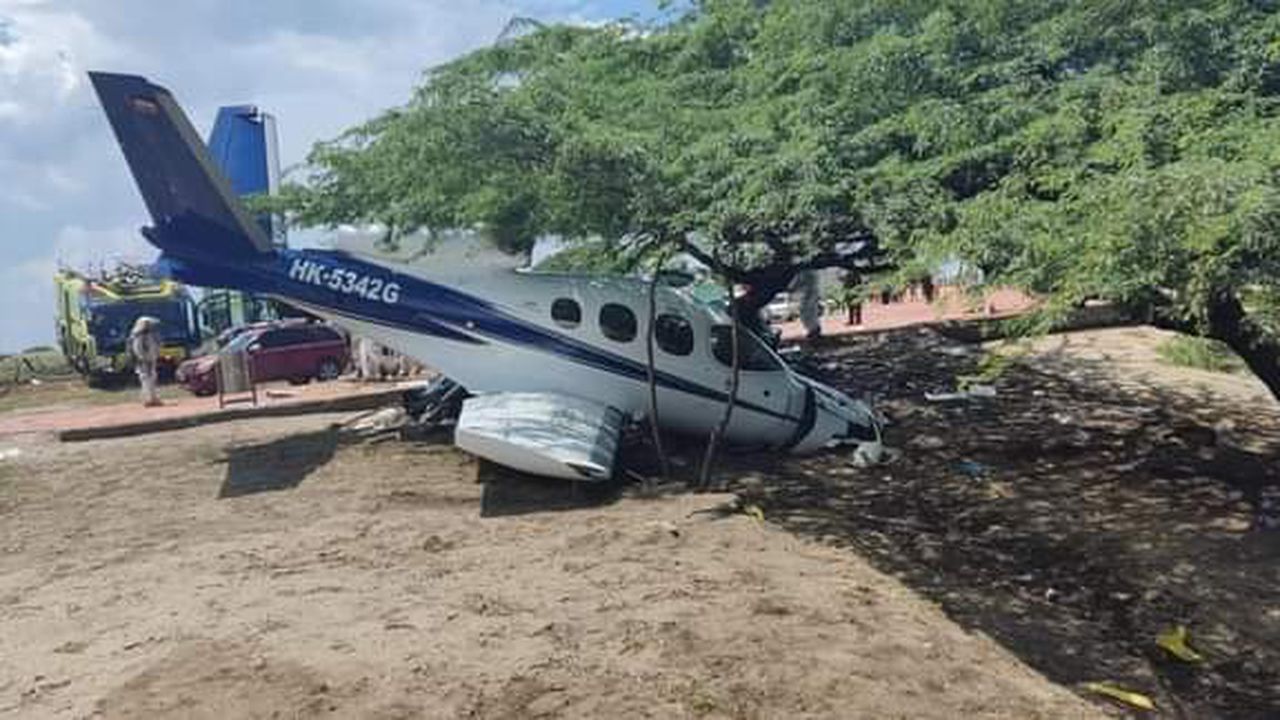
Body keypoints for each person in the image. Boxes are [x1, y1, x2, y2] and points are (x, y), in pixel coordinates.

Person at [129, 316, 163, 407]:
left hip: (150, 360)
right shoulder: (138, 336)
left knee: (152, 379)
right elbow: (138, 349)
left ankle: (153, 398)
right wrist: (143, 359)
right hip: (144, 362)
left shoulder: (150, 335)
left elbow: (155, 346)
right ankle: (148, 399)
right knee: (146, 380)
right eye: (149, 324)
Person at [790, 270, 822, 340]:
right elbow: (797, 283)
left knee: (808, 311)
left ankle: (814, 329)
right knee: (806, 311)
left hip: (811, 293)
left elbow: (798, 283)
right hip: (808, 293)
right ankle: (812, 329)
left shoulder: (809, 272)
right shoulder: (804, 272)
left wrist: (792, 288)